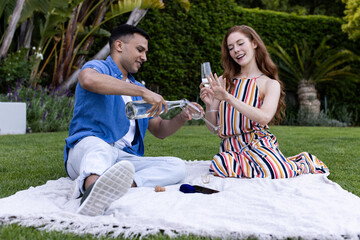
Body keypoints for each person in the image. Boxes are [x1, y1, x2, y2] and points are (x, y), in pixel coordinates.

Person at [64, 24, 201, 216]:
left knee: (176, 166)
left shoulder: (136, 88)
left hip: (123, 158)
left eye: (145, 52)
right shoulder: (99, 68)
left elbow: (160, 129)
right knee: (100, 148)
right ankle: (92, 190)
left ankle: (120, 184)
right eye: (140, 50)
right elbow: (87, 80)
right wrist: (143, 92)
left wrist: (182, 116)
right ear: (119, 46)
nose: (144, 57)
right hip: (87, 150)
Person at [200, 25, 328, 178]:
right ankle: (260, 166)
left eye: (241, 43)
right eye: (231, 47)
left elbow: (264, 117)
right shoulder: (223, 81)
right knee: (220, 164)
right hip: (231, 147)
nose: (236, 50)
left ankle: (303, 162)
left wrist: (228, 97)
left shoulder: (269, 84)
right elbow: (213, 128)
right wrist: (209, 105)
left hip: (258, 144)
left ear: (254, 43)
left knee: (276, 171)